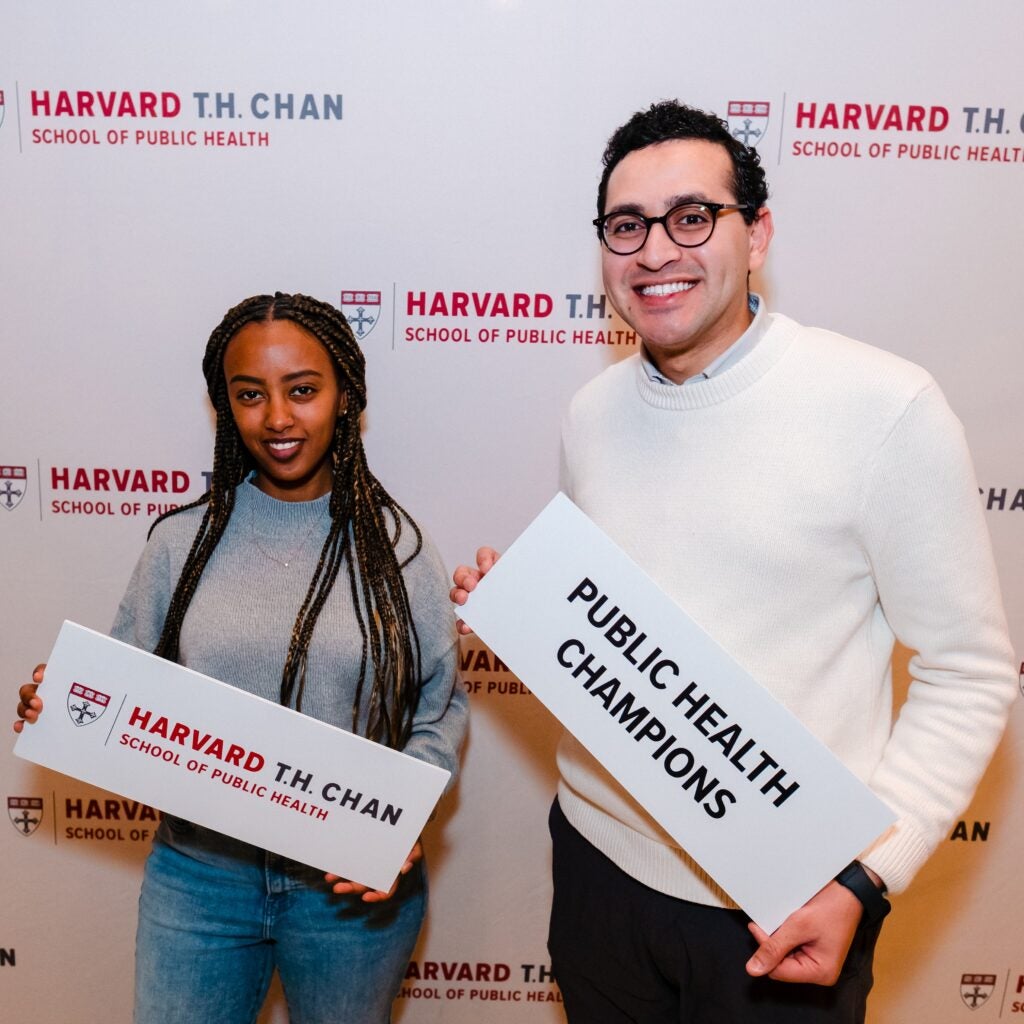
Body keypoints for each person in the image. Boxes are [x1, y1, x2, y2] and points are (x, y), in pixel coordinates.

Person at [451, 101, 1016, 1023]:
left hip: (783, 905)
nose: (655, 250)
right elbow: (647, 637)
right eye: (626, 226)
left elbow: (972, 672)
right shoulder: (590, 414)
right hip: (598, 870)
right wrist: (536, 617)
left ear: (756, 234)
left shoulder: (883, 406)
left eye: (692, 217)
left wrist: (864, 880)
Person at [15, 291, 468, 1024]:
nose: (278, 419)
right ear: (225, 405)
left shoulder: (397, 551)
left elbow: (438, 711)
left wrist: (393, 822)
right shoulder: (180, 544)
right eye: (250, 395)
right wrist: (61, 703)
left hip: (345, 887)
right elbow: (122, 692)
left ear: (345, 394)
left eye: (303, 391)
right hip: (199, 879)